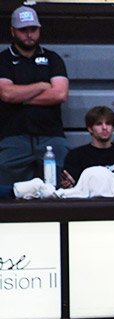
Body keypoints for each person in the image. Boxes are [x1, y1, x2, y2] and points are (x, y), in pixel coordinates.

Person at [0, 6, 69, 186]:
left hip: (51, 135)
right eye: (23, 30)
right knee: (8, 191)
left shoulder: (53, 59)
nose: (29, 34)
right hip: (13, 136)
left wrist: (20, 97)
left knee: (60, 188)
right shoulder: (3, 60)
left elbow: (60, 94)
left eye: (33, 29)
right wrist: (41, 85)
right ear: (13, 31)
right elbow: (6, 93)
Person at [61, 106, 114, 187]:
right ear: (90, 129)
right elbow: (71, 188)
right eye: (99, 124)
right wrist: (69, 185)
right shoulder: (75, 156)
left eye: (108, 123)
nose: (104, 127)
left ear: (113, 128)